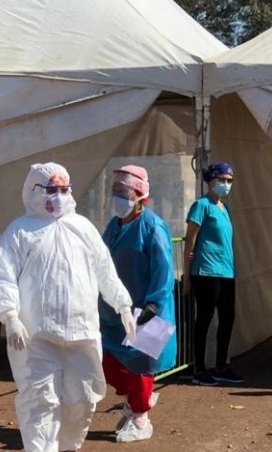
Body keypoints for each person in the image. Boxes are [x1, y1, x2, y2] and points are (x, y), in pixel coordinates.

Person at [0, 162, 137, 452]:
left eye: (62, 189)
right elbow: (3, 275)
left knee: (81, 398)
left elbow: (104, 271)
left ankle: (68, 446)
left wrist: (123, 304)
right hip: (37, 336)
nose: (57, 195)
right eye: (50, 189)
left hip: (82, 333)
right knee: (39, 400)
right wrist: (10, 316)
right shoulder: (20, 232)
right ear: (34, 191)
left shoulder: (83, 228)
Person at [99, 165, 177, 443]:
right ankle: (134, 403)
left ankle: (141, 417)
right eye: (115, 190)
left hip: (147, 310)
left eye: (123, 191)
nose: (117, 196)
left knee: (141, 366)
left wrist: (154, 305)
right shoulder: (114, 226)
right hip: (114, 312)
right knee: (106, 359)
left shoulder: (153, 226)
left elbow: (164, 268)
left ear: (140, 193)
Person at [182, 162, 243, 386]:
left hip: (226, 271)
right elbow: (191, 239)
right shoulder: (201, 205)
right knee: (205, 319)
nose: (226, 184)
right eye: (221, 180)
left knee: (228, 318)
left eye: (229, 181)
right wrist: (188, 275)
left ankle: (221, 365)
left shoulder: (223, 208)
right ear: (210, 181)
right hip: (206, 270)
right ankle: (199, 369)